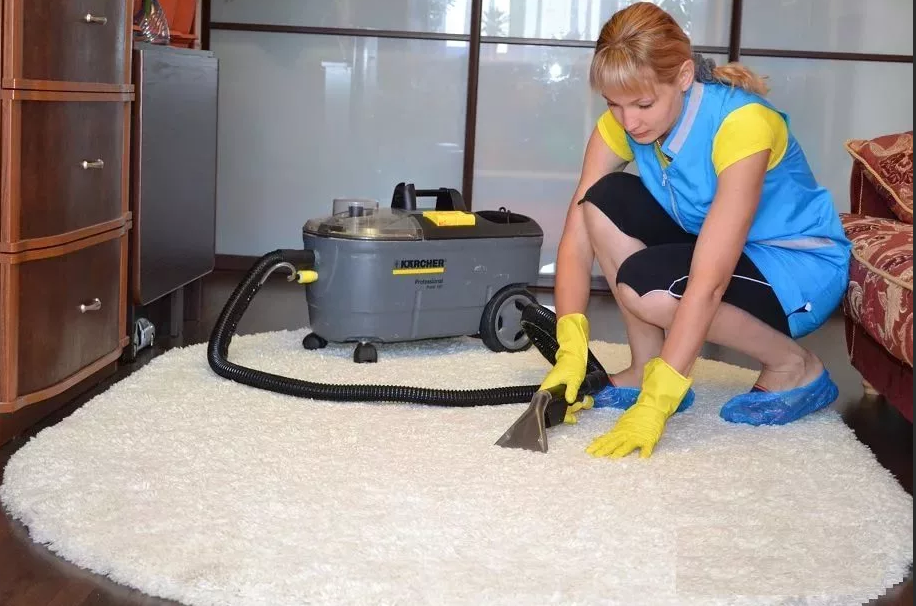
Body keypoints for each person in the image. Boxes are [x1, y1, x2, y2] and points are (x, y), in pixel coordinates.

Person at [539, 2, 852, 459]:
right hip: (722, 247)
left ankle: (794, 365)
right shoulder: (625, 124)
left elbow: (710, 280)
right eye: (614, 104)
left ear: (684, 77)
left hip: (797, 266)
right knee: (602, 199)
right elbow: (576, 235)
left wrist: (659, 401)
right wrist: (570, 344)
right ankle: (645, 366)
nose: (629, 121)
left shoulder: (742, 124)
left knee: (651, 291)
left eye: (644, 104)